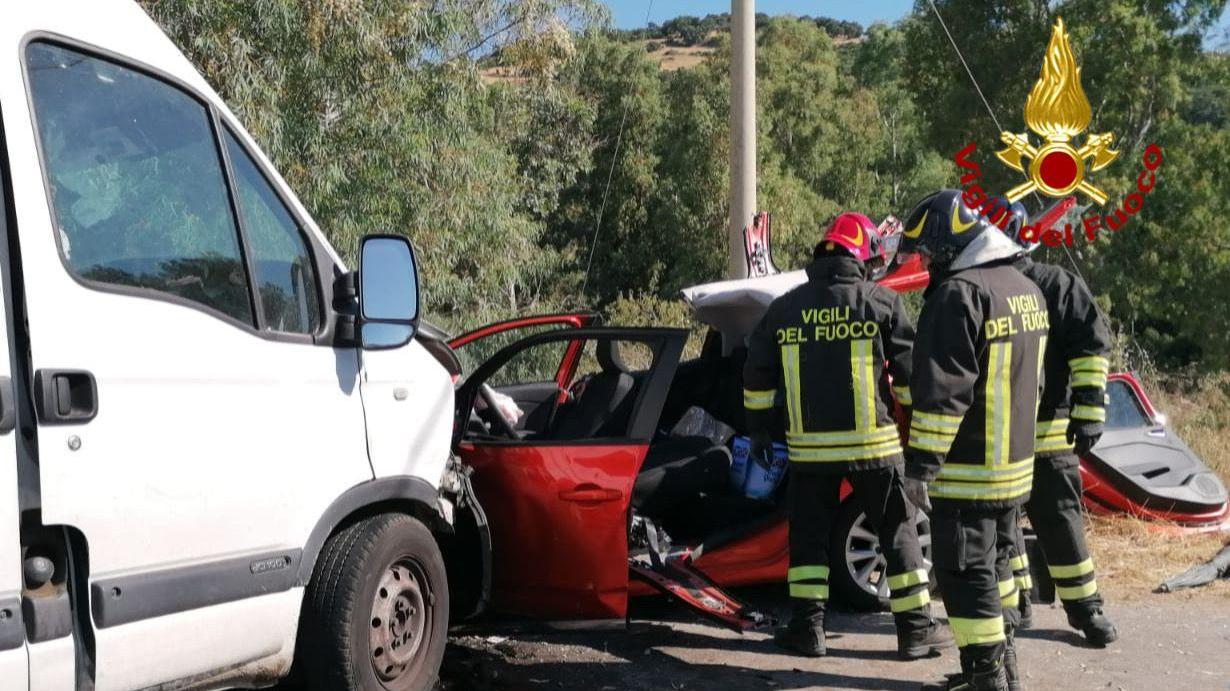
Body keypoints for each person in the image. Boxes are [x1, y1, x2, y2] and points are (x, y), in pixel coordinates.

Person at [743, 212, 952, 660]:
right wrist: (917, 424)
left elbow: (757, 377)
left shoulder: (786, 308)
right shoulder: (880, 302)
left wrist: (761, 432)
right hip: (874, 449)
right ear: (862, 256)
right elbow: (910, 377)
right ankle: (916, 630)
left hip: (809, 453)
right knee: (898, 533)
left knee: (808, 542)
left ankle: (808, 630)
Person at [900, 190, 1048, 691]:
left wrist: (922, 465)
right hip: (1013, 469)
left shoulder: (958, 295)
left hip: (967, 474)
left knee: (966, 576)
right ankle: (1003, 671)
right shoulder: (1023, 287)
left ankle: (985, 679)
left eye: (926, 253)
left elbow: (944, 391)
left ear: (947, 243)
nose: (923, 263)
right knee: (999, 570)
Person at [985, 198, 1118, 646]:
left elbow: (1090, 350)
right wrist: (1086, 416)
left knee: (1015, 524)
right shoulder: (1050, 282)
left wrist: (1088, 413)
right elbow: (1093, 348)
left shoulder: (992, 288)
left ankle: (1080, 608)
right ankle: (1077, 611)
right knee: (1050, 524)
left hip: (1015, 437)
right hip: (1029, 436)